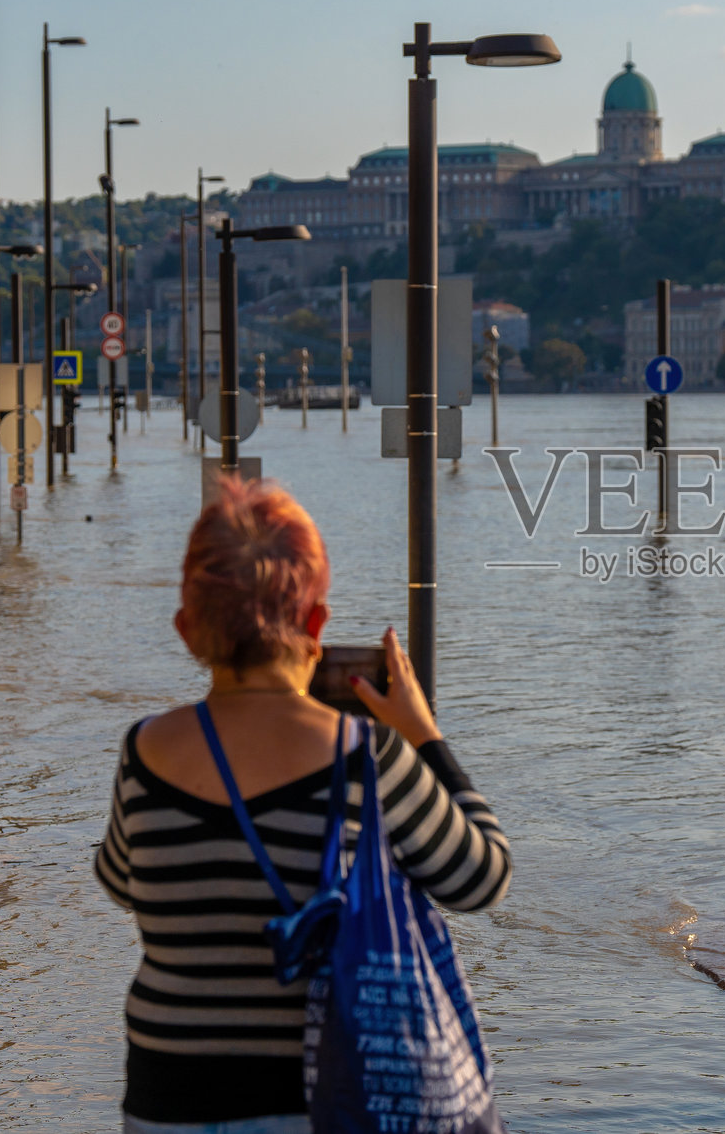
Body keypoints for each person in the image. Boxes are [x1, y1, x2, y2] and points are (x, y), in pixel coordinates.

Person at [96, 479, 511, 1133]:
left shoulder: (144, 751)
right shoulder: (365, 756)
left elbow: (120, 882)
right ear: (317, 624)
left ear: (186, 628)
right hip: (318, 1099)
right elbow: (482, 876)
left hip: (164, 1101)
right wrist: (425, 736)